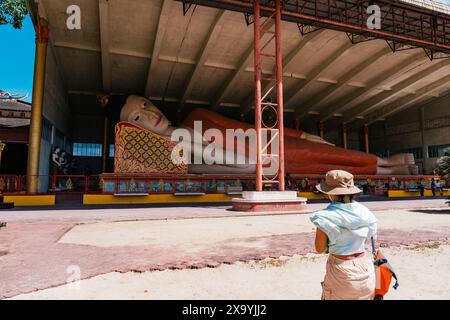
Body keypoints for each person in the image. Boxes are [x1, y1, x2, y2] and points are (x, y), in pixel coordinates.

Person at [119, 95, 416, 175]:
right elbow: (216, 166)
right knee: (330, 165)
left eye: (145, 104)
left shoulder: (195, 117)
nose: (148, 114)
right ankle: (389, 166)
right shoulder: (176, 152)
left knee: (333, 155)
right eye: (137, 117)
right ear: (135, 128)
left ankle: (389, 165)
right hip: (263, 164)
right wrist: (253, 168)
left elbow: (249, 129)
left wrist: (299, 133)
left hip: (267, 146)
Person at [310, 170, 377, 300]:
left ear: (330, 193)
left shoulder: (325, 217)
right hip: (365, 268)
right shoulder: (365, 212)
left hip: (341, 270)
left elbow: (320, 248)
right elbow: (369, 235)